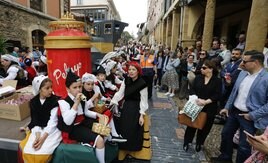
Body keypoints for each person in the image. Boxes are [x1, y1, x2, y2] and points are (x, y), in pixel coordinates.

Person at [211, 50, 268, 163]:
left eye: (245, 61)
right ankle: (225, 158)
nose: (241, 63)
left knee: (244, 145)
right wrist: (227, 107)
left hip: (249, 116)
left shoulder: (266, 78)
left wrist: (252, 115)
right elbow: (234, 92)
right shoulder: (243, 73)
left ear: (255, 62)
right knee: (226, 134)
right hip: (234, 112)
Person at [57, 70, 106, 163]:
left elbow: (85, 111)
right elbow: (68, 121)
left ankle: (99, 153)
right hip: (73, 128)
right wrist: (76, 103)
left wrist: (98, 114)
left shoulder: (82, 97)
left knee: (105, 130)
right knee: (99, 140)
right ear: (68, 89)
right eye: (74, 87)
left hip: (83, 122)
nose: (78, 89)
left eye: (79, 87)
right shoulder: (63, 102)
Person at [110, 61, 151, 161]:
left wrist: (141, 114)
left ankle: (133, 151)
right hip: (127, 106)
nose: (131, 72)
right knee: (124, 128)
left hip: (136, 108)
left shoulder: (142, 83)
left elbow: (143, 100)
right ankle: (123, 151)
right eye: (130, 70)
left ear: (138, 71)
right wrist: (114, 102)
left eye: (134, 70)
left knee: (134, 130)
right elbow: (120, 93)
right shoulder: (126, 80)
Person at [19, 75, 61, 162]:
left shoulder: (54, 101)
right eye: (47, 88)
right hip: (37, 129)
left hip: (51, 130)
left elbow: (53, 121)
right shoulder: (34, 102)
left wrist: (42, 139)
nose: (51, 90)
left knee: (43, 151)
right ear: (39, 89)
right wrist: (38, 137)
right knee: (29, 149)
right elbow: (35, 120)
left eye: (51, 87)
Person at [183, 60, 222, 152]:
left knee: (205, 126)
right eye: (201, 67)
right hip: (196, 105)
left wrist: (205, 102)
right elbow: (192, 90)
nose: (201, 69)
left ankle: (199, 143)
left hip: (209, 107)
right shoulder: (198, 78)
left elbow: (217, 95)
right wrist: (196, 99)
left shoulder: (217, 81)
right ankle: (187, 142)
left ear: (211, 69)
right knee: (191, 125)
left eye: (204, 68)